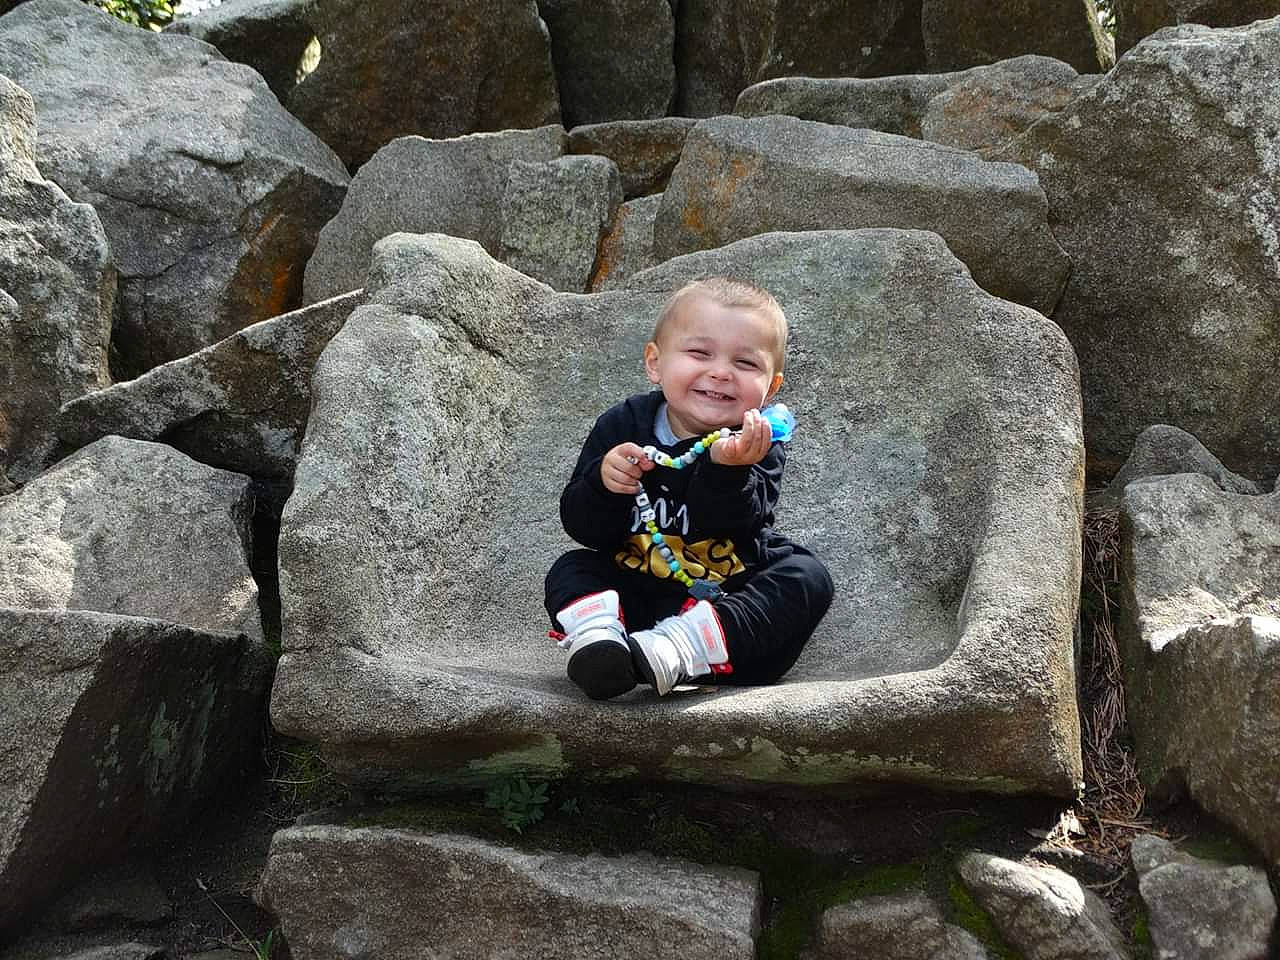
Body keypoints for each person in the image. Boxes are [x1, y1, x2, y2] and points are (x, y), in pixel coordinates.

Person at [545, 277, 834, 700]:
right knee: (572, 566)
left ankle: (675, 651)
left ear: (771, 388)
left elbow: (734, 527)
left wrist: (728, 471)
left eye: (746, 364)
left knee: (807, 576)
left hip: (721, 612)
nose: (720, 372)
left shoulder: (757, 441)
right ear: (655, 363)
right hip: (636, 596)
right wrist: (604, 485)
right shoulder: (623, 424)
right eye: (700, 353)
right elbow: (584, 526)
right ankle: (599, 643)